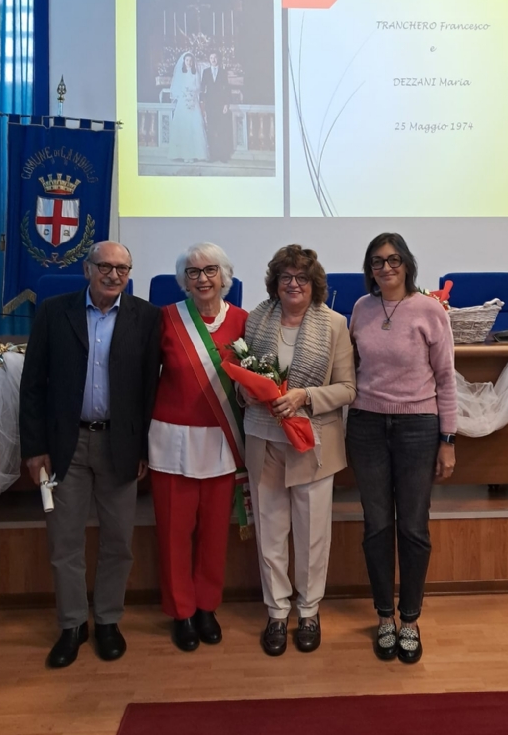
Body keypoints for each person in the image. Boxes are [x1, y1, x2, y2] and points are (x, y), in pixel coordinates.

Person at [19, 241, 161, 668]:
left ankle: (108, 620)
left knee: (118, 541)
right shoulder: (53, 312)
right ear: (87, 269)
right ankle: (72, 624)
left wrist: (141, 447)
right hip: (64, 446)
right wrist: (35, 448)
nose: (114, 274)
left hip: (119, 445)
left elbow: (147, 391)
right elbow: (33, 385)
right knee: (65, 541)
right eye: (105, 266)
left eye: (123, 268)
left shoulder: (145, 317)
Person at [346, 233, 457, 665]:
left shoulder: (429, 310)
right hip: (367, 426)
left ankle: (410, 618)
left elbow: (446, 379)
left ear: (407, 263)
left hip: (418, 427)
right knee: (376, 527)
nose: (385, 268)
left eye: (393, 260)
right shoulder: (360, 309)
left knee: (412, 527)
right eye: (376, 261)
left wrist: (447, 441)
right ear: (368, 268)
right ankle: (384, 617)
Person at [240, 245, 355, 656]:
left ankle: (308, 611)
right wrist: (246, 390)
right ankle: (276, 612)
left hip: (313, 442)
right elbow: (244, 376)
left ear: (314, 284)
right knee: (270, 530)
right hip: (264, 437)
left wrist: (304, 396)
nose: (293, 284)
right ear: (275, 283)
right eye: (286, 277)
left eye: (301, 278)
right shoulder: (256, 319)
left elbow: (347, 388)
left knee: (311, 535)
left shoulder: (335, 324)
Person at [147, 242, 248, 652]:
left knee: (212, 533)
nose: (202, 278)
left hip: (222, 442)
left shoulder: (244, 321)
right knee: (174, 531)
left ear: (225, 276)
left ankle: (207, 606)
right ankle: (182, 612)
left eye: (210, 271)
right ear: (183, 281)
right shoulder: (166, 319)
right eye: (193, 272)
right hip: (172, 440)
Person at [169, 51, 209, 163]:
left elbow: (198, 87)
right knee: (184, 126)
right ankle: (182, 153)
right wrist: (184, 94)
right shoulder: (180, 74)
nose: (189, 62)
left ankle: (196, 153)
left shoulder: (195, 74)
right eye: (187, 60)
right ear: (184, 61)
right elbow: (176, 88)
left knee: (194, 126)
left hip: (193, 101)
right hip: (183, 102)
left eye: (191, 60)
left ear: (193, 62)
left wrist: (192, 94)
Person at [200, 51, 233, 162]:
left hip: (220, 105)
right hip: (210, 105)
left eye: (215, 57)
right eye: (211, 57)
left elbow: (227, 89)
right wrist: (203, 103)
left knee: (222, 129)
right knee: (211, 130)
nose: (213, 60)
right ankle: (213, 155)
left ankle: (223, 156)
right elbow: (202, 89)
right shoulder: (205, 72)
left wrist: (226, 104)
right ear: (209, 59)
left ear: (218, 59)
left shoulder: (223, 72)